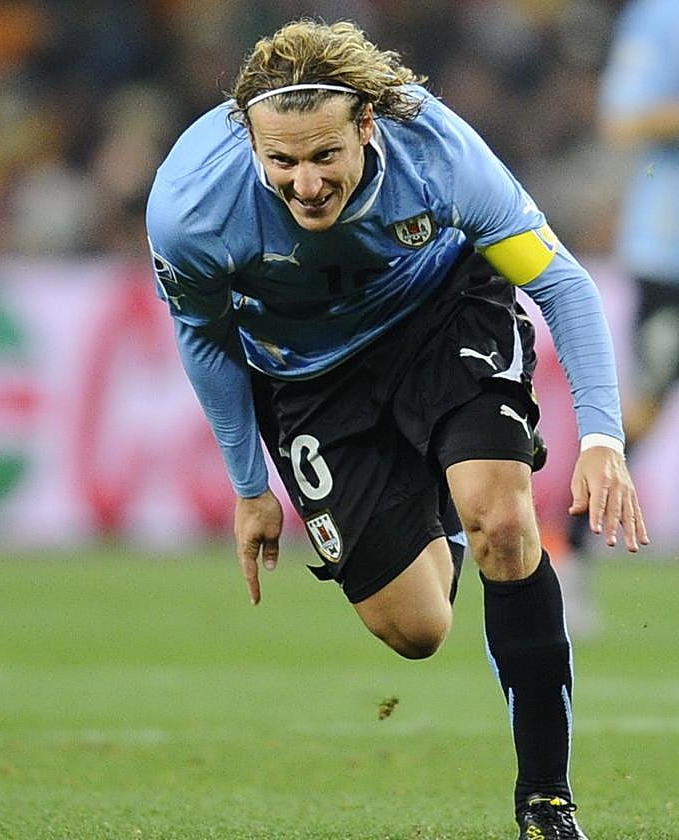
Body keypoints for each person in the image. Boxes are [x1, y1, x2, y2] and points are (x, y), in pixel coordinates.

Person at [146, 20, 648, 840]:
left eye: (324, 157)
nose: (304, 184)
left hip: (440, 316)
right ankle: (437, 500)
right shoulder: (190, 209)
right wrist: (250, 487)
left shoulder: (438, 152)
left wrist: (602, 438)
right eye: (282, 162)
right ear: (249, 140)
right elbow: (203, 337)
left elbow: (559, 279)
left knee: (504, 523)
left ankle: (546, 803)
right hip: (306, 377)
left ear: (367, 126)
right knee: (415, 630)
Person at [560, 0, 679, 634]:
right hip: (671, 253)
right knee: (642, 413)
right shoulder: (661, 15)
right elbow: (623, 118)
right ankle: (569, 559)